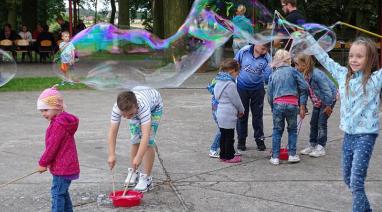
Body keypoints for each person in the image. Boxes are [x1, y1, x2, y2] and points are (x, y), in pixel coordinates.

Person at [305, 34, 381, 212]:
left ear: (370, 59)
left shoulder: (375, 79)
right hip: (348, 135)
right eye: (351, 55)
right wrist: (309, 39)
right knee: (348, 178)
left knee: (356, 181)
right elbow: (324, 58)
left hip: (366, 136)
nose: (354, 60)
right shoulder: (342, 75)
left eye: (359, 56)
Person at [107, 87, 163, 192]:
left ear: (136, 106)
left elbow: (145, 135)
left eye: (131, 114)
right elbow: (112, 132)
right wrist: (111, 154)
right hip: (139, 100)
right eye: (124, 115)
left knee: (149, 142)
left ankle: (146, 178)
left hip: (155, 106)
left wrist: (139, 157)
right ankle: (133, 171)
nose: (128, 118)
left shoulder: (143, 108)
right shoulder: (117, 108)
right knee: (135, 139)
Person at [36, 86, 80, 212]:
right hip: (65, 165)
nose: (43, 114)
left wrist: (43, 163)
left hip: (63, 167)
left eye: (45, 110)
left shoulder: (58, 125)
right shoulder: (61, 120)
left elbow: (52, 147)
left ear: (57, 107)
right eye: (41, 111)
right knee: (63, 193)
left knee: (57, 194)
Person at [267, 49, 308, 165]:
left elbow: (269, 94)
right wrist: (300, 100)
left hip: (277, 105)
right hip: (292, 104)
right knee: (292, 130)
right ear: (289, 60)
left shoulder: (273, 74)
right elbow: (304, 86)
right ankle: (292, 155)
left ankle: (275, 157)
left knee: (277, 130)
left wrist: (272, 106)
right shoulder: (293, 72)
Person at [294, 54, 337, 157]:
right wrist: (302, 106)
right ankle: (312, 144)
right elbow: (303, 92)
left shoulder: (317, 75)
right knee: (313, 122)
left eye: (297, 64)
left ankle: (321, 147)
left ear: (304, 65)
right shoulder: (302, 76)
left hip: (328, 99)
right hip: (317, 101)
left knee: (321, 123)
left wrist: (328, 105)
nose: (295, 67)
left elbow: (327, 91)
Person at [234, 42, 272, 151]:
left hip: (257, 89)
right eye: (262, 46)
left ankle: (259, 139)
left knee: (257, 115)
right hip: (241, 87)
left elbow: (267, 78)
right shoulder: (244, 51)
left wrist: (270, 70)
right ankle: (241, 140)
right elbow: (235, 64)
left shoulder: (267, 58)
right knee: (241, 114)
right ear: (255, 42)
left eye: (267, 47)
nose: (265, 48)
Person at [214, 58, 244, 163]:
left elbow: (216, 97)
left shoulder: (218, 82)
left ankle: (223, 155)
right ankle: (230, 156)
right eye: (237, 72)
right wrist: (241, 110)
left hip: (220, 112)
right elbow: (236, 100)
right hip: (229, 113)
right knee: (229, 137)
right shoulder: (230, 84)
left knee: (223, 135)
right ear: (233, 71)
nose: (237, 75)